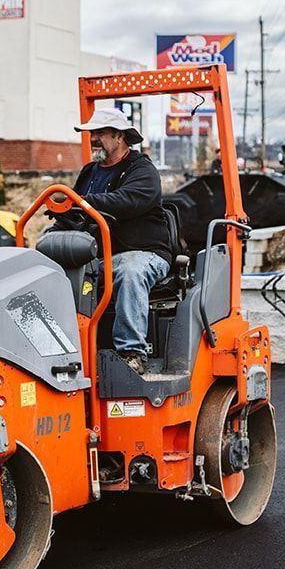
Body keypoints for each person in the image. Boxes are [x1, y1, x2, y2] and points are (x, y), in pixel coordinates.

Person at [61, 108, 174, 376]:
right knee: (51, 270)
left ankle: (131, 352)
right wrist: (58, 223)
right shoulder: (89, 173)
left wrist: (84, 203)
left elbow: (129, 200)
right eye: (92, 133)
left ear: (119, 136)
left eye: (100, 133)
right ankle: (66, 350)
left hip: (144, 253)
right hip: (97, 257)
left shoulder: (141, 170)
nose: (93, 139)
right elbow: (75, 213)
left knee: (129, 269)